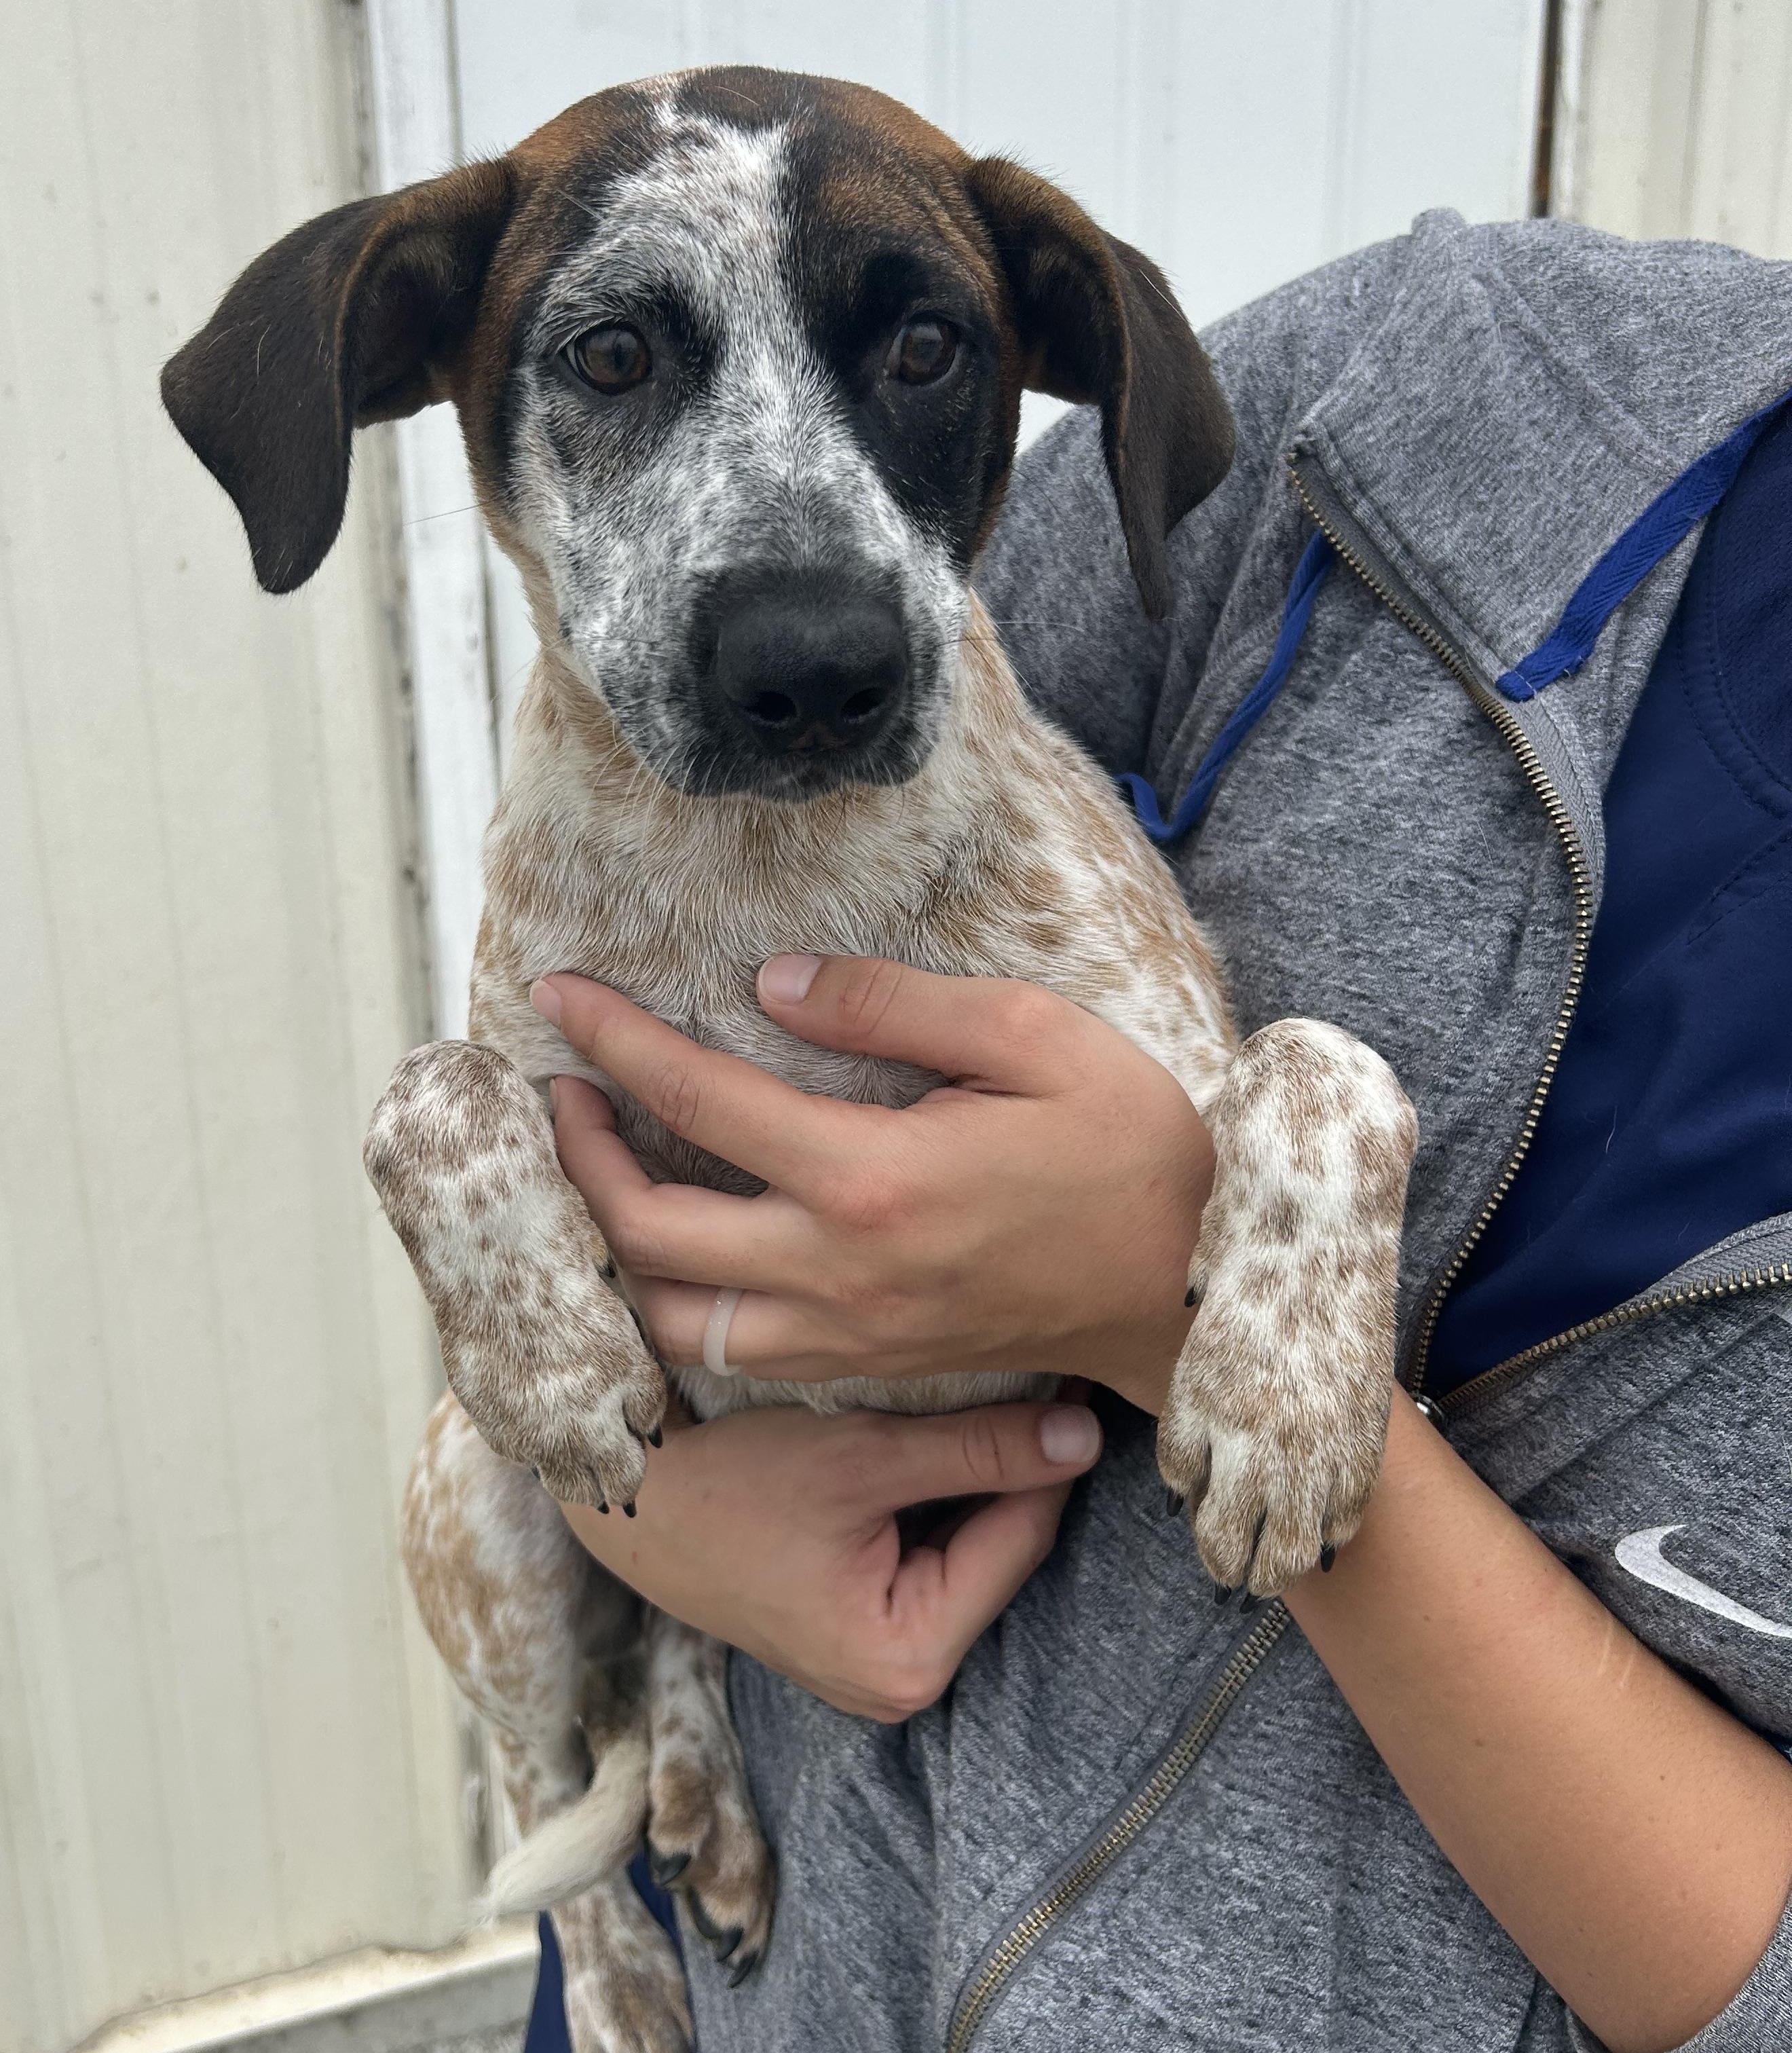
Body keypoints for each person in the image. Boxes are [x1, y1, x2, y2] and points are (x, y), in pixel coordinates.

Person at [521, 210, 1792, 2052]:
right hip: (753, 1965)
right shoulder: (1465, 375)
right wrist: (633, 1497)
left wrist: (1152, 1304)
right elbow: (640, 985)